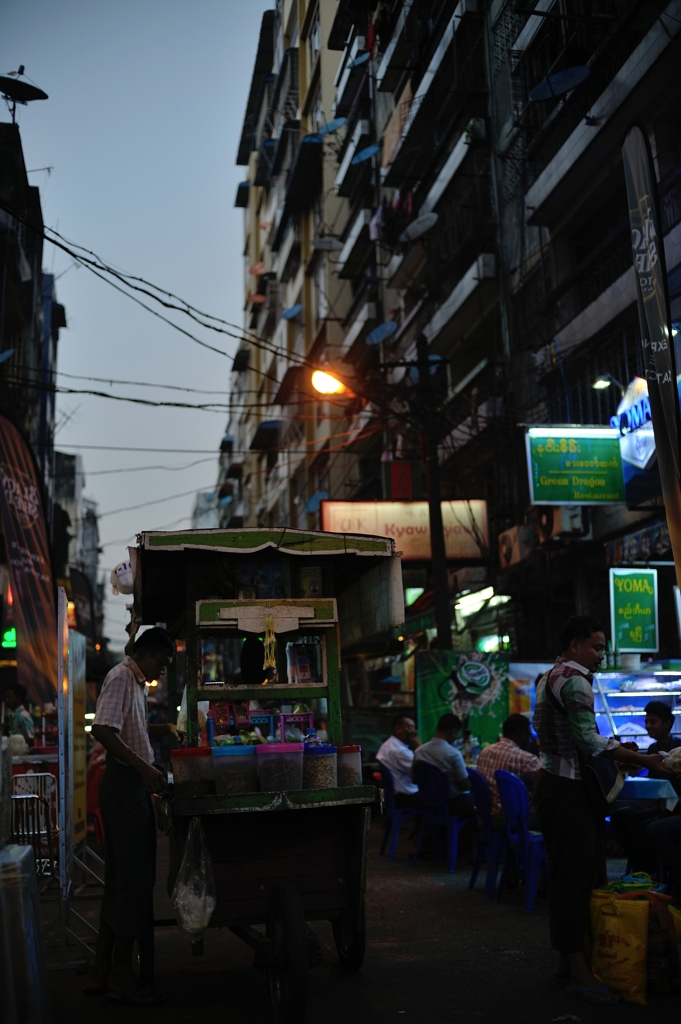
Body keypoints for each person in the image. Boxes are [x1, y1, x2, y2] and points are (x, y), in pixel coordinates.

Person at [533, 615, 670, 1006]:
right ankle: (577, 972)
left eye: (603, 648)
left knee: (574, 874)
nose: (601, 656)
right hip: (568, 790)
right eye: (596, 647)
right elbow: (588, 740)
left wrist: (620, 758)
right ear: (575, 645)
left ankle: (570, 959)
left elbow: (571, 740)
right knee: (575, 878)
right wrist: (645, 759)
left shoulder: (549, 676)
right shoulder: (575, 680)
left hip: (556, 783)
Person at [90, 627, 183, 1005]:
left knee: (122, 880)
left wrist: (164, 729)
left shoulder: (136, 683)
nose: (160, 668)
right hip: (125, 787)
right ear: (145, 652)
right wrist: (145, 771)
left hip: (131, 787)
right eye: (160, 661)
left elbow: (129, 731)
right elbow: (103, 729)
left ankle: (101, 971)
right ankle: (119, 972)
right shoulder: (122, 677)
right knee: (132, 880)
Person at [610, 701, 681, 870]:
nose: (648, 726)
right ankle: (642, 865)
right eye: (646, 722)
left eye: (653, 721)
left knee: (640, 823)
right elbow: (653, 783)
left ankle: (650, 869)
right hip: (657, 803)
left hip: (674, 805)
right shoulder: (652, 748)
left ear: (667, 724)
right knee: (619, 816)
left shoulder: (678, 749)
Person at [476, 714, 542, 828]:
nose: (530, 741)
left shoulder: (485, 752)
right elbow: (549, 783)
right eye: (529, 737)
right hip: (512, 819)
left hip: (485, 815)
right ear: (522, 734)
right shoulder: (526, 759)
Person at [413, 712, 474, 817]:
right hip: (452, 804)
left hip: (427, 802)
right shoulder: (453, 754)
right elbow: (465, 785)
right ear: (453, 732)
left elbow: (414, 780)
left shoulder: (419, 751)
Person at [377, 715, 421, 807]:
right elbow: (423, 769)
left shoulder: (389, 744)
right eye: (409, 727)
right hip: (405, 795)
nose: (413, 731)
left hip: (395, 793)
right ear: (397, 728)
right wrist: (417, 742)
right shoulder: (400, 751)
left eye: (414, 727)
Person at [3, 683, 35, 748]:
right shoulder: (14, 716)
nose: (7, 700)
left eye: (10, 698)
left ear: (19, 698)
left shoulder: (23, 716)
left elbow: (30, 739)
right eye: (7, 697)